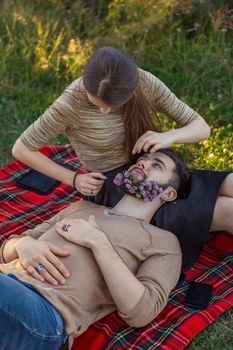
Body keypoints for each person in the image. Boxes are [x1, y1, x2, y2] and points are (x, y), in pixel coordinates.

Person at [11, 46, 233, 268]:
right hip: (116, 185)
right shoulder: (70, 103)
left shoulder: (144, 82)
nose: (105, 112)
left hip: (154, 169)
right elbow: (21, 149)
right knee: (228, 210)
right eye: (97, 103)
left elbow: (201, 127)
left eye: (112, 105)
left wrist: (169, 137)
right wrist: (74, 179)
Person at [0, 149, 186, 350]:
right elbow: (5, 251)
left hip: (44, 313)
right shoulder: (80, 207)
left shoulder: (164, 242)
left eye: (156, 165)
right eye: (142, 159)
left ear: (168, 193)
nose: (142, 164)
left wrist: (98, 242)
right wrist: (22, 244)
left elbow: (142, 312)